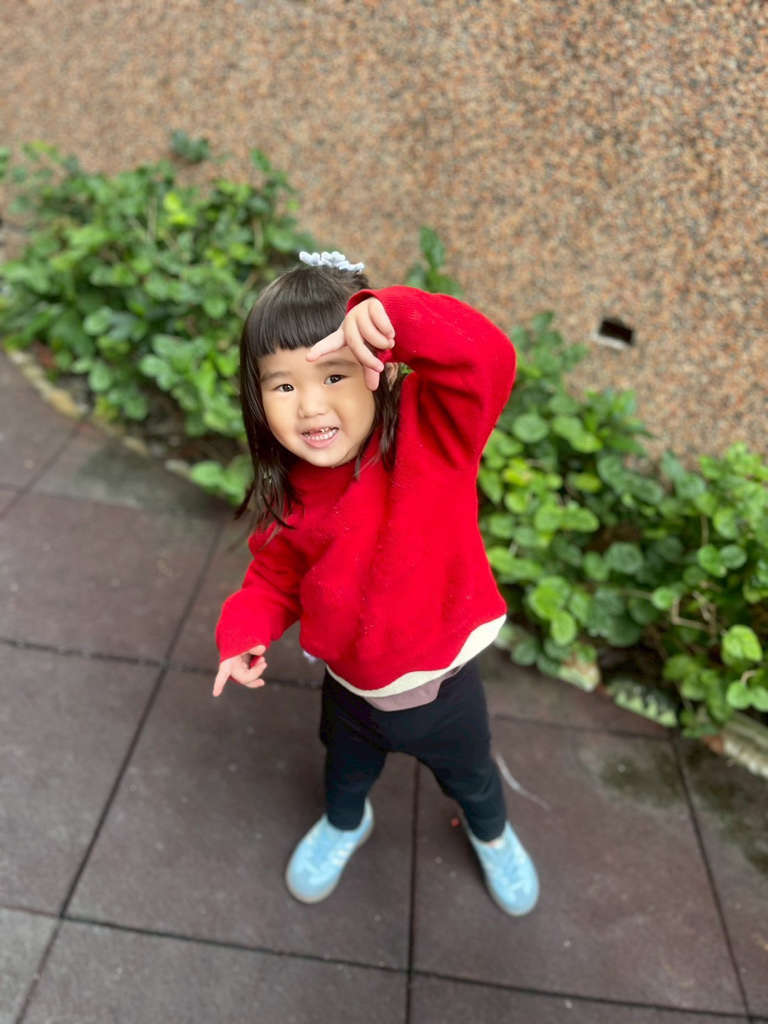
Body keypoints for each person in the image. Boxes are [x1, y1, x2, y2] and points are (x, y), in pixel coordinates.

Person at [213, 250, 539, 917]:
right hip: (352, 693)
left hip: (446, 689)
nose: (311, 406)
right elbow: (273, 579)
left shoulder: (431, 436)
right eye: (283, 386)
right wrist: (244, 632)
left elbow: (488, 359)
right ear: (257, 397)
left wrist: (397, 316)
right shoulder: (293, 495)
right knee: (344, 775)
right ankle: (345, 824)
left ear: (378, 368)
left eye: (334, 374)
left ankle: (493, 835)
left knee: (473, 779)